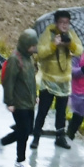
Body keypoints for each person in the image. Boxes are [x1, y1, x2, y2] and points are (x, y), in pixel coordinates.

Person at [32, 12, 78, 143]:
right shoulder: (48, 34)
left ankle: (60, 137)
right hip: (49, 80)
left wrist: (70, 45)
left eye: (67, 23)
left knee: (61, 112)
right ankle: (36, 136)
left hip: (64, 80)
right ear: (56, 23)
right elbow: (40, 52)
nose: (64, 25)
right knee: (43, 110)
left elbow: (79, 50)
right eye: (62, 22)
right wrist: (54, 45)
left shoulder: (71, 35)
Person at [0, 28, 40, 165]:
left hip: (29, 102)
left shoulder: (29, 59)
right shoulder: (14, 60)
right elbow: (9, 81)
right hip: (19, 103)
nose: (34, 48)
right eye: (32, 46)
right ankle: (20, 161)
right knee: (23, 132)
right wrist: (9, 102)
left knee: (28, 130)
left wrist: (35, 95)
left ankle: (4, 142)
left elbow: (31, 80)